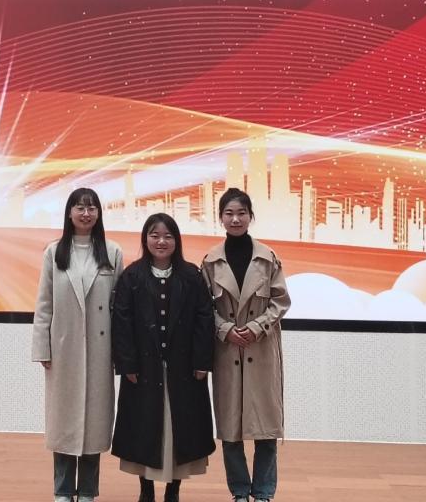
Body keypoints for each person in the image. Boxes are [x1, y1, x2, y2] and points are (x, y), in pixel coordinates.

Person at [111, 213, 215, 502]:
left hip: (184, 370)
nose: (161, 241)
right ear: (145, 239)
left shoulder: (192, 276)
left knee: (181, 429)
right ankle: (145, 490)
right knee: (144, 428)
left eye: (168, 236)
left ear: (176, 241)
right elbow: (121, 323)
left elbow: (204, 320)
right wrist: (127, 363)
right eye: (155, 235)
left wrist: (202, 362)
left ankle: (174, 490)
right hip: (143, 370)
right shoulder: (132, 276)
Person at [33, 187, 124, 502]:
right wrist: (43, 348)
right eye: (80, 207)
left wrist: (120, 353)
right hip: (64, 348)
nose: (86, 214)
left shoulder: (112, 252)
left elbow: (119, 308)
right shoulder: (54, 252)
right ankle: (62, 491)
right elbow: (44, 304)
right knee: (64, 422)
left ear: (99, 213)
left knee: (93, 424)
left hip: (100, 350)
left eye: (92, 208)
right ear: (69, 212)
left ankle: (86, 491)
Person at [201, 188, 291, 502]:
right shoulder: (211, 261)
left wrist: (255, 328)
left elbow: (281, 302)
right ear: (221, 218)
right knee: (230, 428)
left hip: (261, 349)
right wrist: (225, 329)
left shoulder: (267, 258)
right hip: (227, 351)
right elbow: (203, 308)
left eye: (241, 213)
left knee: (266, 428)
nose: (235, 219)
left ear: (251, 216)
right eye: (229, 213)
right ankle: (239, 491)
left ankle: (263, 492)